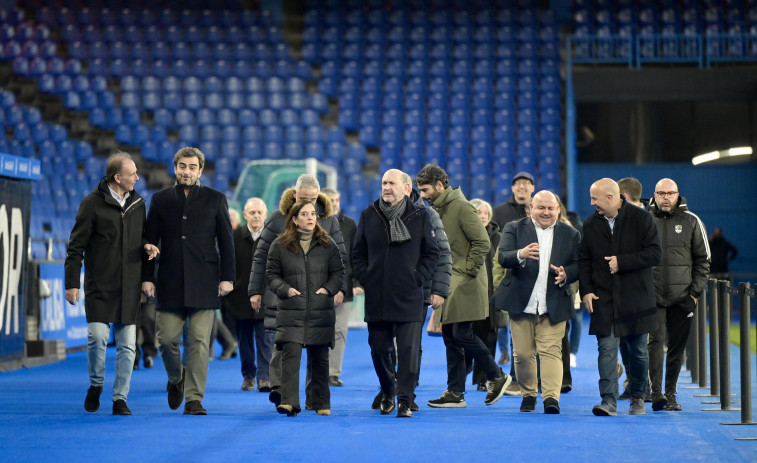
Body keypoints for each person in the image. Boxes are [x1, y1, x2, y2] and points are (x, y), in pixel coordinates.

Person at [142, 147, 235, 416]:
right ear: (175, 168)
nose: (187, 171)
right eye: (182, 166)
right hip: (168, 280)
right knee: (166, 340)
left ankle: (194, 399)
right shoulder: (159, 200)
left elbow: (226, 241)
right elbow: (149, 242)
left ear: (200, 171)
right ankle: (176, 379)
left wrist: (228, 277)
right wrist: (147, 279)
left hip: (205, 281)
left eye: (192, 167)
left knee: (198, 342)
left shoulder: (216, 199)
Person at [65, 152, 159, 415]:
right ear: (118, 178)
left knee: (128, 346)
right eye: (133, 174)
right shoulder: (91, 204)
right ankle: (96, 385)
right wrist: (72, 283)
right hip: (99, 286)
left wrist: (147, 246)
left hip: (129, 287)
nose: (138, 178)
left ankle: (120, 398)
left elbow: (141, 239)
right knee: (97, 337)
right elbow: (75, 248)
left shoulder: (139, 203)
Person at [415, 164, 511, 409]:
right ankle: (456, 392)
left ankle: (497, 376)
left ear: (439, 185)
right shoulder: (439, 208)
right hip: (450, 281)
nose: (422, 195)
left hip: (465, 282)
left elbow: (482, 242)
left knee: (461, 334)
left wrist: (465, 271)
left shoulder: (462, 207)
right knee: (451, 337)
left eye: (425, 190)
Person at [248, 174, 347, 408]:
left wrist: (339, 288)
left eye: (313, 199)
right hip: (283, 294)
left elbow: (340, 259)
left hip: (317, 296)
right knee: (281, 341)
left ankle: (313, 395)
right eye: (304, 198)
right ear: (294, 194)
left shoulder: (330, 221)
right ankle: (280, 388)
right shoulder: (276, 219)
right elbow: (262, 256)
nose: (309, 204)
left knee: (316, 346)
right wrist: (255, 290)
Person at [353, 169, 440, 418]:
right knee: (379, 349)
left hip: (409, 295)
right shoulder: (369, 215)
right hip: (377, 295)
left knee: (409, 351)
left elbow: (432, 253)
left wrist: (417, 277)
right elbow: (358, 253)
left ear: (406, 188)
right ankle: (388, 391)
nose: (386, 187)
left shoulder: (421, 215)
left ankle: (404, 399)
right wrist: (367, 277)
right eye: (383, 183)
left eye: (392, 183)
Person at [579, 178, 661, 417]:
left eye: (595, 198)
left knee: (637, 351)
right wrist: (585, 290)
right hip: (604, 299)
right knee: (606, 349)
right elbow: (583, 260)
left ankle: (638, 396)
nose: (592, 203)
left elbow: (655, 254)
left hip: (637, 299)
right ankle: (608, 401)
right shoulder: (590, 224)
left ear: (612, 198)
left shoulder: (642, 218)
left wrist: (622, 262)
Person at [493, 191, 580, 414]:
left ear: (558, 210)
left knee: (551, 351)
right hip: (522, 303)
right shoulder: (514, 228)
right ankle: (529, 394)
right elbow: (502, 257)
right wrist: (520, 254)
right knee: (522, 354)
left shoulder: (570, 234)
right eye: (541, 207)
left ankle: (551, 398)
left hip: (555, 303)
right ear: (531, 208)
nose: (546, 212)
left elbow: (580, 265)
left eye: (551, 208)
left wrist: (567, 274)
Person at [266, 200, 345, 416]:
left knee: (320, 357)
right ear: (294, 219)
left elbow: (339, 273)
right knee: (290, 356)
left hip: (321, 309)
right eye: (304, 214)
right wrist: (285, 289)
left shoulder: (328, 244)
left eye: (313, 214)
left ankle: (321, 403)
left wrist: (328, 290)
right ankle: (289, 402)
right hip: (291, 308)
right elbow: (271, 275)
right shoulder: (279, 245)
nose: (310, 217)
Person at [648, 178, 710, 411]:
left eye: (670, 193)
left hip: (682, 297)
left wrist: (694, 294)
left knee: (676, 348)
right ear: (654, 195)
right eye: (661, 193)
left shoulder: (692, 221)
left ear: (677, 195)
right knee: (654, 344)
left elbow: (703, 260)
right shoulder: (644, 220)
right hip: (652, 297)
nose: (666, 197)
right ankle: (656, 393)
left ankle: (670, 394)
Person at [224, 197, 271, 392]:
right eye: (252, 212)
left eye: (260, 212)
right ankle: (248, 376)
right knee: (244, 340)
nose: (256, 216)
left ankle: (264, 378)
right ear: (245, 215)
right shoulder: (233, 238)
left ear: (266, 215)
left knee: (265, 339)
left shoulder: (274, 238)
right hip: (240, 299)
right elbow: (228, 266)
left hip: (267, 298)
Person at [321, 187, 361, 387]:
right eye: (331, 199)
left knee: (339, 331)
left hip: (344, 287)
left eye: (337, 199)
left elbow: (356, 255)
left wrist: (356, 283)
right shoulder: (315, 223)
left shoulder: (350, 225)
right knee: (319, 331)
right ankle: (319, 371)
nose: (335, 203)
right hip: (319, 287)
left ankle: (333, 373)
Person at [468, 198, 501, 391]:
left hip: (491, 295)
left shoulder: (498, 237)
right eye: (479, 213)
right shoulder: (466, 235)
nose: (483, 217)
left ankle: (484, 379)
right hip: (470, 294)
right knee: (468, 337)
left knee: (488, 337)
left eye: (485, 213)